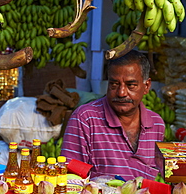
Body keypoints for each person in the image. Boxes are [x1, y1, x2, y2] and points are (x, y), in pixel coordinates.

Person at [61, 50, 165, 180]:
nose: (121, 93)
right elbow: (70, 176)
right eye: (114, 84)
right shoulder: (85, 118)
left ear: (146, 86)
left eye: (131, 85)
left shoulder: (156, 124)